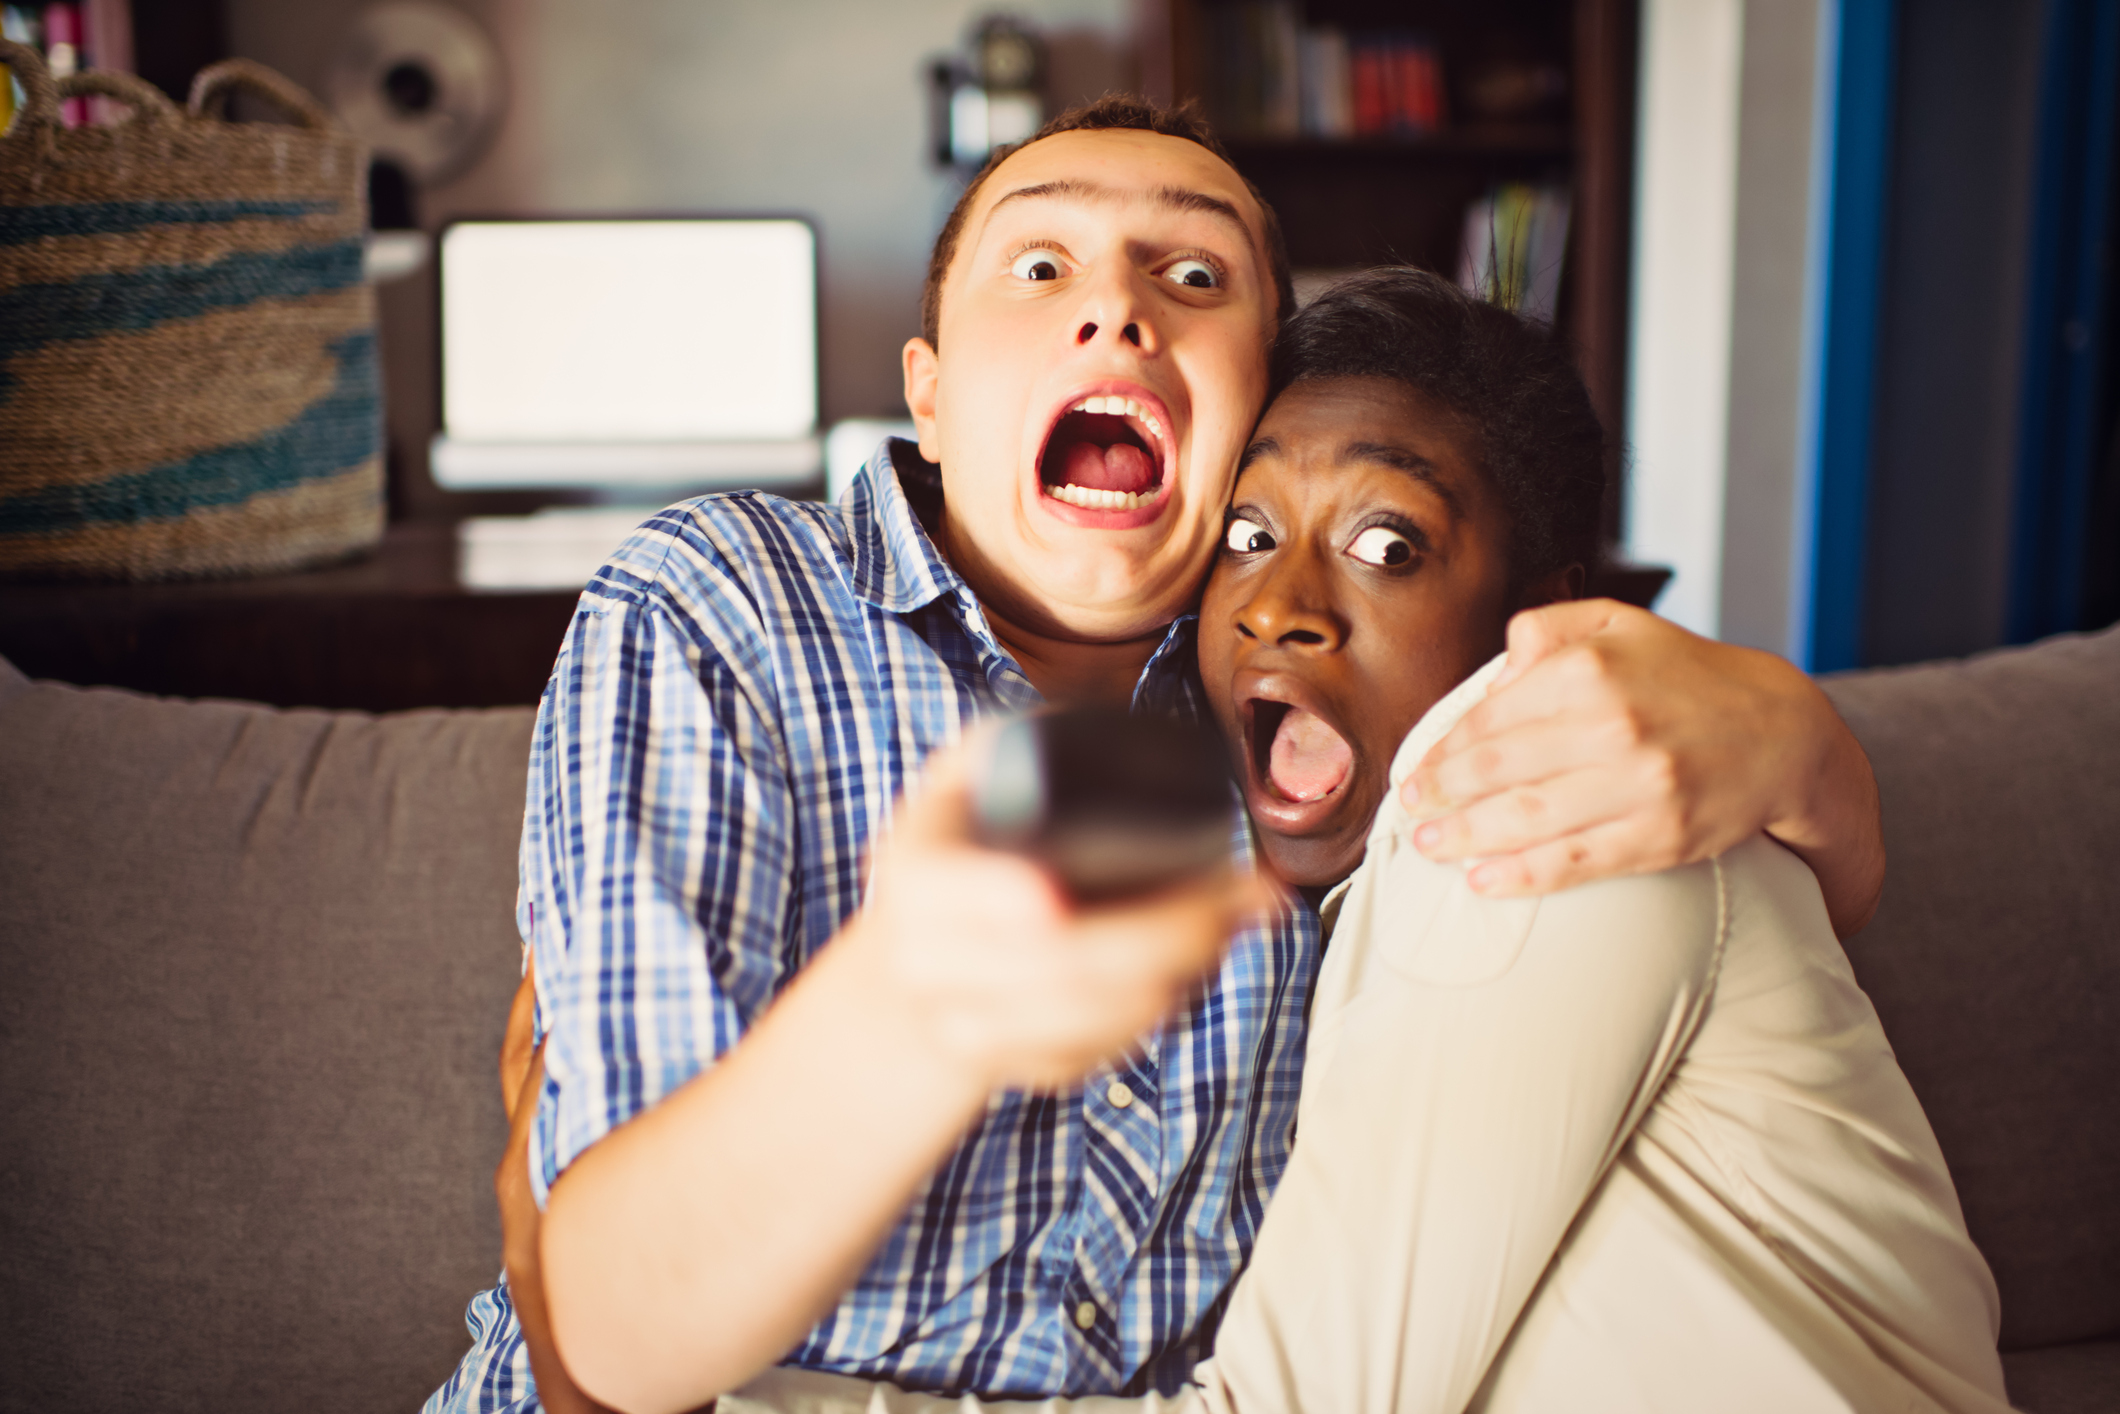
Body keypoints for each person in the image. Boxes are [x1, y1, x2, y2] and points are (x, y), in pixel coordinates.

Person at [430, 99, 1890, 1414]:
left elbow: (1712, 902)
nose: (1119, 312)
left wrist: (1799, 738)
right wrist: (915, 1006)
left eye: (1191, 276)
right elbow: (605, 1347)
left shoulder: (1309, 723)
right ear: (929, 395)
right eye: (1041, 266)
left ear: (1255, 397)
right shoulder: (728, 600)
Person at [714, 268, 2008, 1414]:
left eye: (1388, 544)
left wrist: (691, 1383)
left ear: (1541, 616)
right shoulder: (1290, 915)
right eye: (1248, 534)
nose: (1282, 606)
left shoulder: (1532, 798)